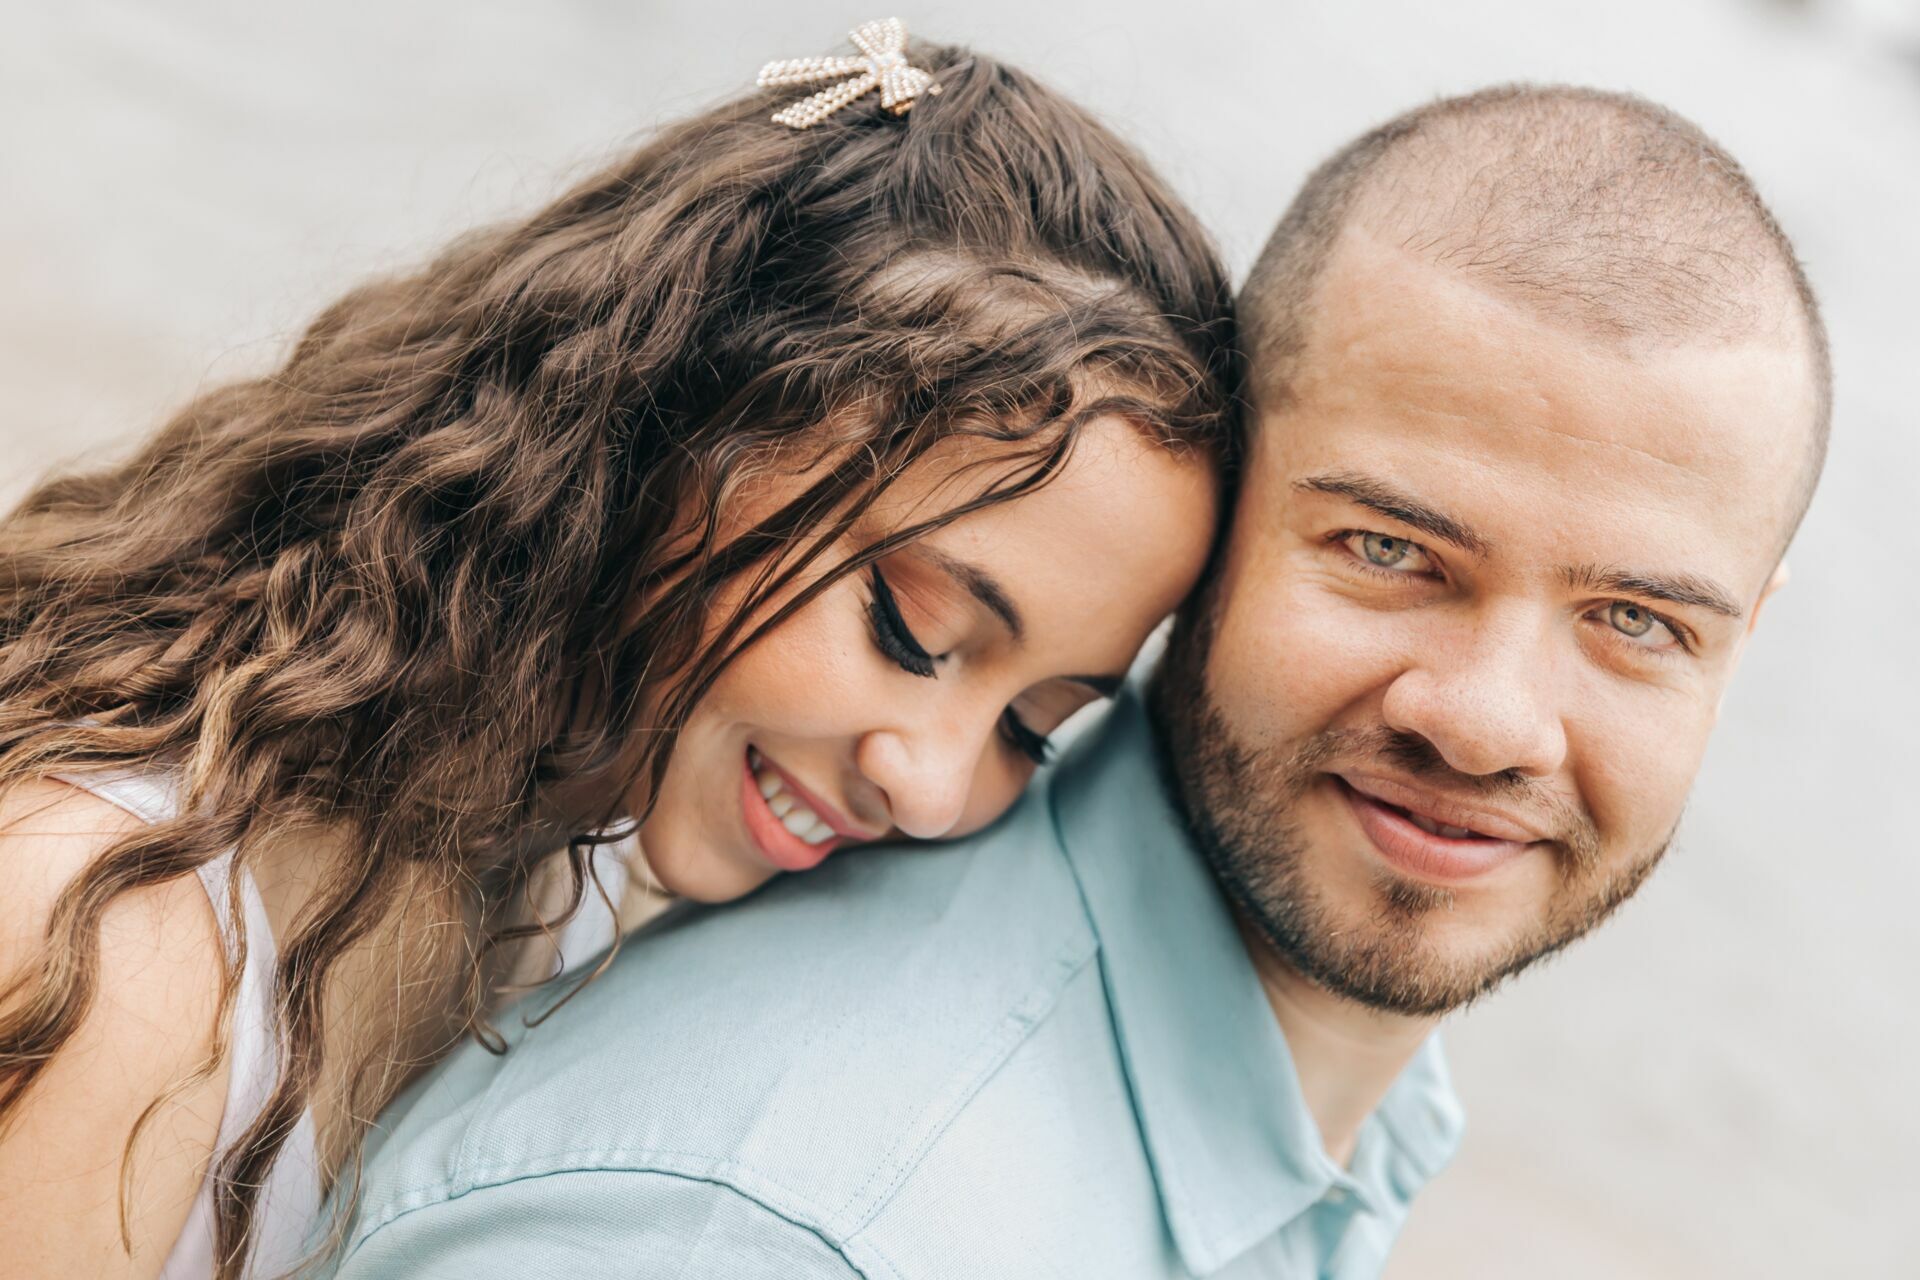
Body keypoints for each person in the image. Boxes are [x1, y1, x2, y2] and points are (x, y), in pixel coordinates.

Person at [325, 83, 1829, 1279]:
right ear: (1218, 528)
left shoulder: (1328, 1106)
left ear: (1741, 640)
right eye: (1389, 549)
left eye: (1639, 620)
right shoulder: (769, 1224)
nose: (1487, 721)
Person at [0, 24, 1236, 1280]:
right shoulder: (110, 942)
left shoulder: (556, 858)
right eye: (911, 629)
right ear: (693, 408)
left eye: (1035, 726)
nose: (931, 786)